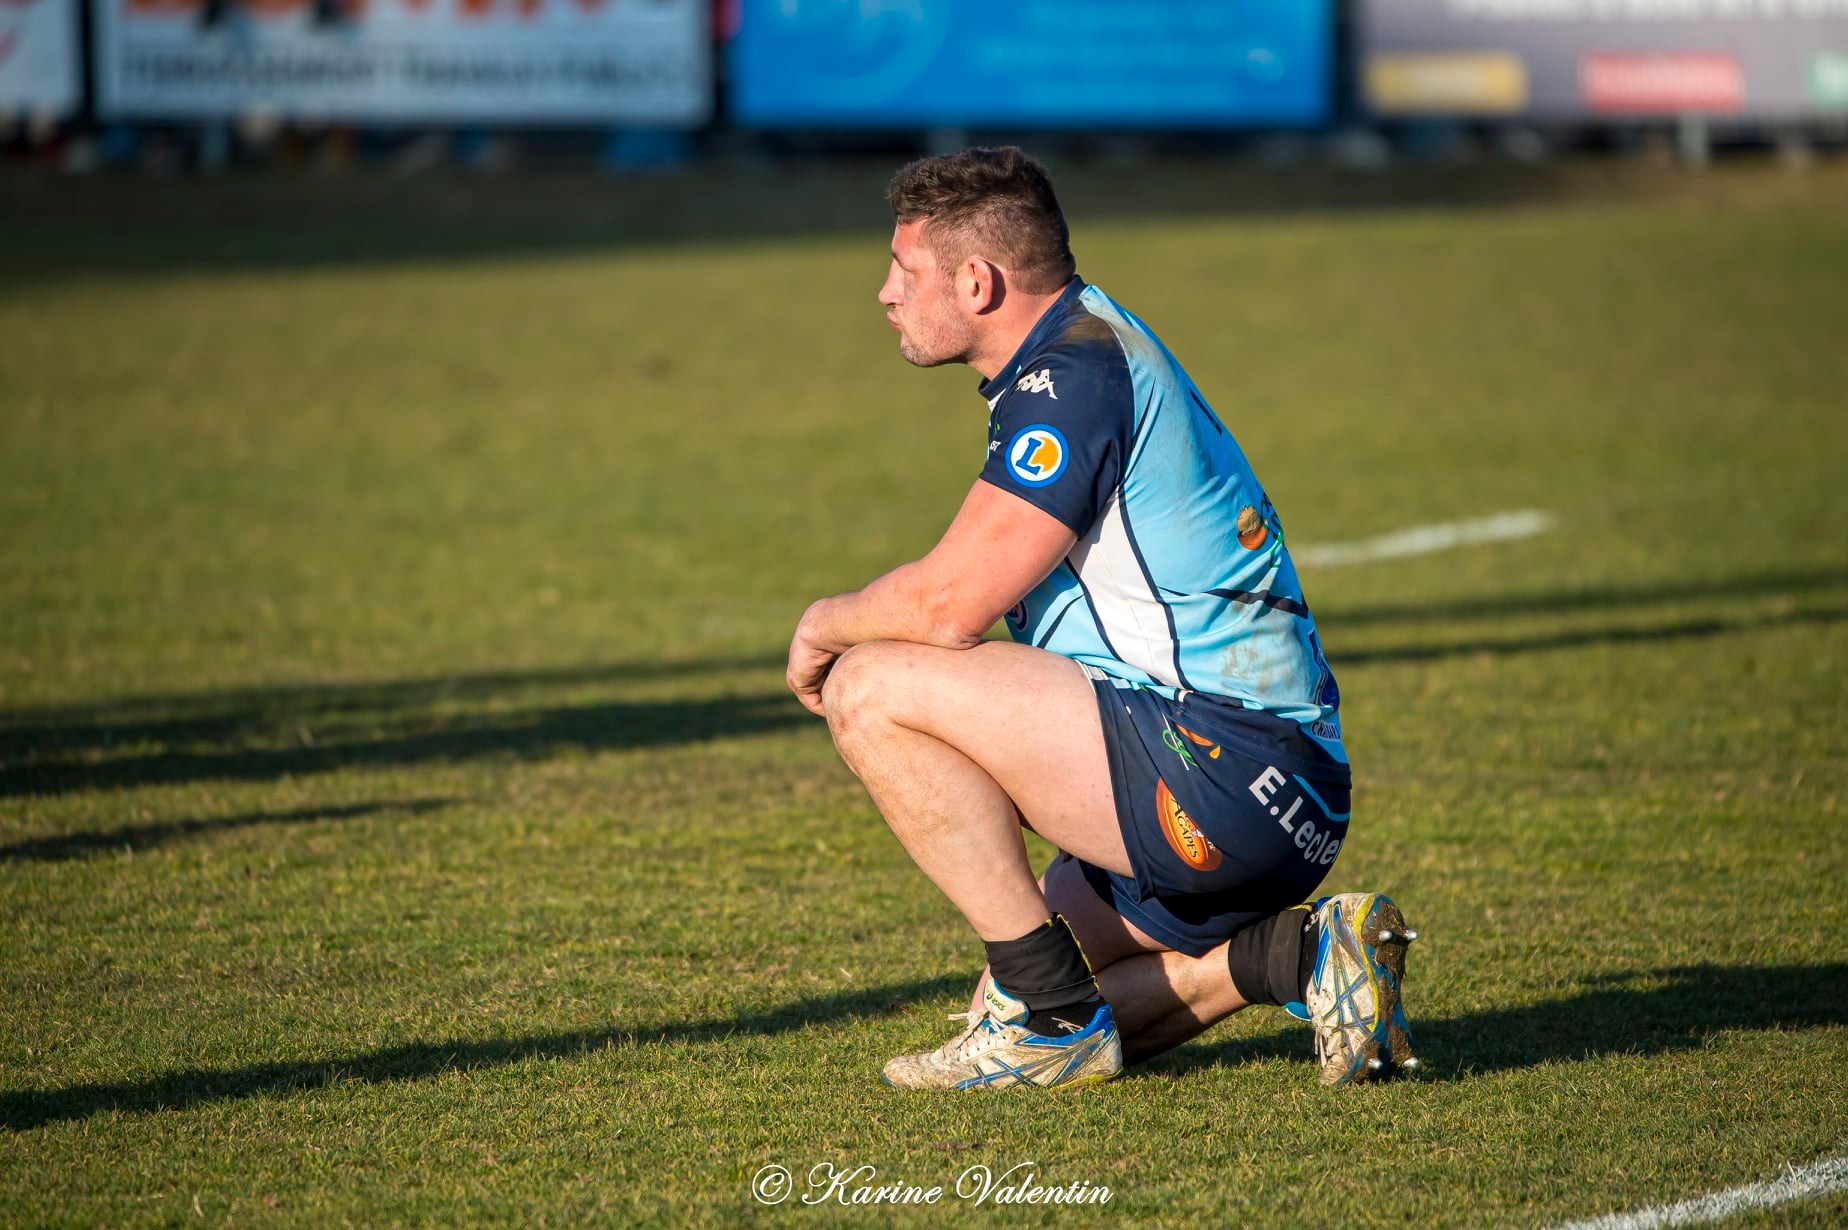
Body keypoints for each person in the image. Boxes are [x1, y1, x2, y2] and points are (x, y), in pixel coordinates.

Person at [785, 146, 1418, 1090]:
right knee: (1027, 996)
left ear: (976, 282)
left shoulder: (1075, 376)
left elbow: (951, 607)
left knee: (870, 684)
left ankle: (1048, 1019)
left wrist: (822, 625)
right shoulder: (1085, 349)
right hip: (1287, 799)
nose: (886, 293)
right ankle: (1296, 957)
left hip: (1222, 769)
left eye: (903, 269)